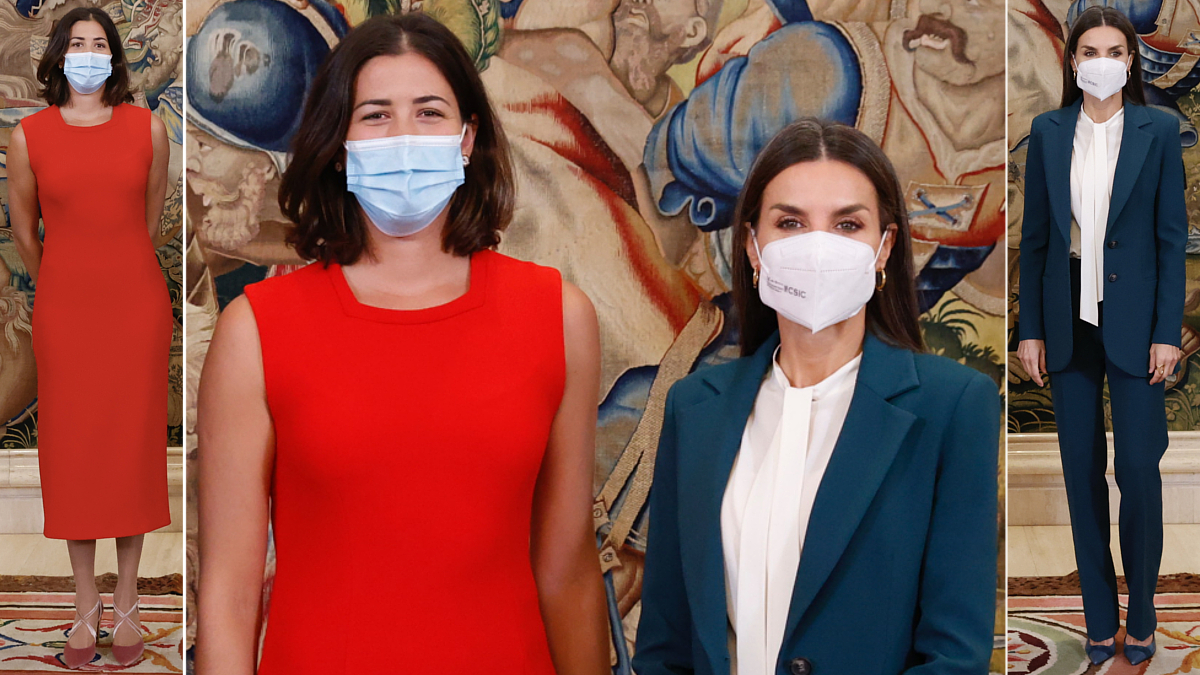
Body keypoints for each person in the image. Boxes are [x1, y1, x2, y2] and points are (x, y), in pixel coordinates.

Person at [195, 13, 609, 674]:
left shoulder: (560, 317)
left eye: (429, 112)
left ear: (467, 138)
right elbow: (229, 596)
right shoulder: (256, 330)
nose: (405, 137)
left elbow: (568, 573)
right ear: (338, 144)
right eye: (377, 116)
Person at [634, 118, 1000, 675]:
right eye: (790, 223)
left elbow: (953, 655)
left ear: (884, 247)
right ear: (754, 246)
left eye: (847, 224)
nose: (818, 247)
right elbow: (666, 642)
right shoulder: (693, 407)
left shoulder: (954, 406)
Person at [1017, 5, 1186, 666]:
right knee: (1080, 474)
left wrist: (1167, 331)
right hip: (1066, 321)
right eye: (1090, 49)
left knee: (1137, 472)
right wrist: (1029, 329)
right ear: (1072, 60)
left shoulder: (1158, 130)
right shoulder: (1048, 131)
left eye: (1115, 49)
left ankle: (1141, 614)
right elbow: (1034, 244)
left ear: (1131, 60)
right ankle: (1096, 618)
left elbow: (1172, 242)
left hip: (1138, 324)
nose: (1103, 60)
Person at [5, 6, 172, 670]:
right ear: (58, 55)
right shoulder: (30, 136)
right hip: (65, 315)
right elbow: (24, 231)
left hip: (135, 309)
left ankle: (127, 595)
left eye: (98, 43)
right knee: (74, 455)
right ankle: (84, 602)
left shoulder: (148, 128)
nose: (87, 53)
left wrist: (113, 272)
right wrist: (65, 284)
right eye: (76, 43)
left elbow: (151, 221)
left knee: (128, 450)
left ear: (115, 57)